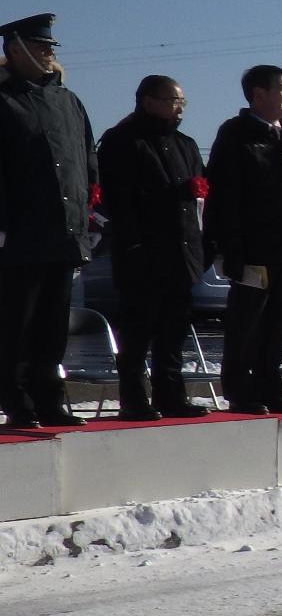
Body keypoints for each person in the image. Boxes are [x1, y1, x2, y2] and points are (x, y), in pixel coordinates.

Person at [0, 13, 97, 428]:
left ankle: (48, 398)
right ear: (14, 48)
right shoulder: (4, 100)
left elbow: (86, 157)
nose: (47, 53)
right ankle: (17, 402)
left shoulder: (68, 100)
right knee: (17, 325)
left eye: (50, 48)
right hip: (19, 232)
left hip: (64, 230)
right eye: (40, 46)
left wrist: (86, 207)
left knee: (52, 327)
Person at [95, 75, 209, 421]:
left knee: (173, 332)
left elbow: (199, 194)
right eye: (173, 100)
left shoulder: (185, 144)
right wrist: (134, 240)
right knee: (138, 331)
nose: (179, 107)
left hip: (181, 251)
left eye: (182, 102)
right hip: (142, 253)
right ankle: (134, 397)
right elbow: (117, 200)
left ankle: (171, 394)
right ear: (148, 100)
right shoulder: (122, 141)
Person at [204, 65, 282, 415]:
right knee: (247, 323)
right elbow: (225, 194)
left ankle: (270, 386)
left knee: (278, 322)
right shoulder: (237, 134)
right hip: (252, 246)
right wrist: (228, 245)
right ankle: (240, 389)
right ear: (258, 94)